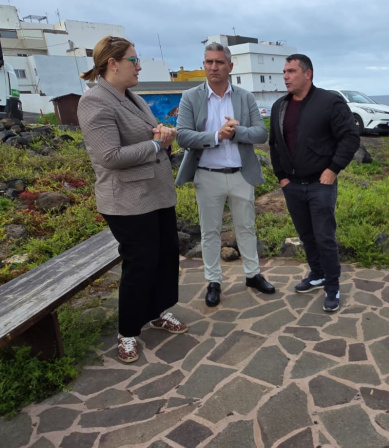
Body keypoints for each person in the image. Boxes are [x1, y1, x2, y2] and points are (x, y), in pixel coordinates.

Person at [78, 36, 187, 364]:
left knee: (166, 255)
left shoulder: (132, 97)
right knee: (140, 263)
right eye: (133, 60)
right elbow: (109, 156)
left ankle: (157, 311)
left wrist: (162, 135)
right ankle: (127, 332)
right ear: (113, 63)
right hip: (127, 200)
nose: (139, 66)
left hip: (156, 193)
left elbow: (148, 133)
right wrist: (156, 145)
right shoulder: (95, 102)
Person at [175, 42, 275, 307]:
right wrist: (216, 136)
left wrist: (236, 132)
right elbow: (182, 135)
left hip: (241, 173)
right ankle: (213, 281)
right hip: (207, 175)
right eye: (208, 62)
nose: (213, 67)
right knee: (210, 232)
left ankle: (253, 275)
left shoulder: (244, 97)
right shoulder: (191, 97)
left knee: (247, 227)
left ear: (230, 66)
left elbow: (261, 133)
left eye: (219, 62)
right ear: (204, 65)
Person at [268, 54, 360, 312]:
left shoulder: (330, 102)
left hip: (321, 184)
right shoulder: (280, 106)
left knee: (324, 237)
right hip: (293, 185)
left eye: (291, 71)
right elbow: (274, 143)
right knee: (307, 236)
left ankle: (332, 286)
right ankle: (317, 275)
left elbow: (350, 138)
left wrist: (333, 169)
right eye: (284, 71)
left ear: (308, 74)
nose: (285, 76)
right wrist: (282, 177)